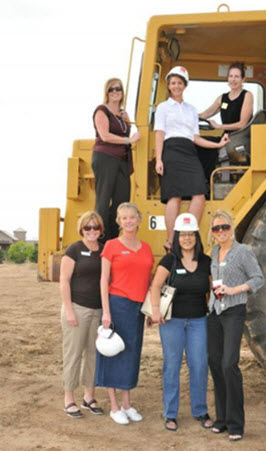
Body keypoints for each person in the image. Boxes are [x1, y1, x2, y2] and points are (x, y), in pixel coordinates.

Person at [154, 66, 230, 251]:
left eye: (179, 83)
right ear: (169, 85)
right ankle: (171, 240)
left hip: (189, 150)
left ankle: (186, 235)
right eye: (173, 83)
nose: (176, 86)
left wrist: (218, 145)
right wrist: (159, 159)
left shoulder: (191, 110)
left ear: (184, 85)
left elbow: (196, 138)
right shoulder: (162, 108)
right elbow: (159, 133)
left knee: (200, 194)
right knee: (174, 196)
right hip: (171, 150)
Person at [150, 213, 213, 432]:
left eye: (190, 234)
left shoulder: (206, 261)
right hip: (172, 322)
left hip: (199, 321)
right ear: (176, 237)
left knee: (199, 365)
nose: (186, 238)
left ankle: (200, 410)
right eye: (182, 234)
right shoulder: (170, 260)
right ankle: (170, 413)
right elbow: (156, 286)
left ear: (196, 236)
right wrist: (156, 310)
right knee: (172, 366)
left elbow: (213, 290)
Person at [207, 209, 264, 442]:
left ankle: (236, 424)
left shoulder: (243, 252)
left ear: (232, 228)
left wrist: (234, 289)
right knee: (215, 363)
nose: (221, 231)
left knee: (229, 364)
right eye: (216, 228)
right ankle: (221, 419)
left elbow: (258, 279)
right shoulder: (214, 252)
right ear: (212, 233)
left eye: (224, 227)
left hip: (233, 312)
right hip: (215, 312)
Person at [95, 202, 154, 425]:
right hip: (117, 305)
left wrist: (149, 309)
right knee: (113, 354)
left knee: (131, 356)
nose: (128, 221)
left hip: (137, 309)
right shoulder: (111, 245)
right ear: (119, 222)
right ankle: (113, 406)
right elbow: (103, 280)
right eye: (124, 218)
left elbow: (147, 282)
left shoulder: (146, 248)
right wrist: (106, 312)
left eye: (132, 217)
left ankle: (127, 404)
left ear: (139, 219)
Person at [60, 211, 105, 418]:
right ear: (81, 229)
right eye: (88, 227)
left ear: (100, 229)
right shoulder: (74, 249)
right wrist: (69, 310)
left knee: (93, 356)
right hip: (77, 309)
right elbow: (64, 281)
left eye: (95, 227)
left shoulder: (103, 250)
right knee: (74, 354)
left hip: (98, 311)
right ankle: (69, 399)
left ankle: (89, 397)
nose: (92, 231)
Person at [92, 78, 141, 242]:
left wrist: (126, 121)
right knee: (103, 200)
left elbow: (124, 133)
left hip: (122, 160)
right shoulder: (101, 111)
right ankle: (99, 239)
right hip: (105, 157)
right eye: (111, 89)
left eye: (118, 89)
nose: (115, 92)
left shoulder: (122, 115)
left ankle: (112, 238)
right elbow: (105, 136)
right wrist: (129, 140)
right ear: (106, 92)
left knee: (122, 200)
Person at [198, 62, 254, 179]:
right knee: (198, 143)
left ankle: (208, 182)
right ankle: (202, 182)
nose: (233, 80)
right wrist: (185, 115)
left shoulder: (247, 96)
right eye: (231, 76)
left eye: (237, 76)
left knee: (210, 149)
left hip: (238, 139)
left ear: (243, 79)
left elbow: (242, 124)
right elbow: (205, 114)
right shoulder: (222, 98)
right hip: (225, 137)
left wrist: (219, 126)